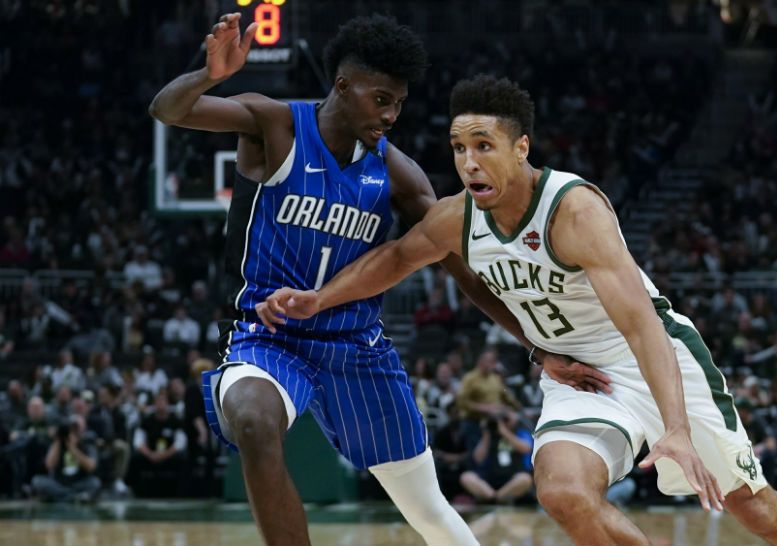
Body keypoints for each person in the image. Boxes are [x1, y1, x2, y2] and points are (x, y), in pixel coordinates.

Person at [259, 75, 777, 546]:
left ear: (521, 148)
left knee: (753, 508)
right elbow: (397, 258)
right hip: (578, 374)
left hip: (654, 360)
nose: (469, 162)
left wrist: (674, 427)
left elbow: (642, 325)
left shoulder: (574, 211)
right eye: (459, 148)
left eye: (484, 145)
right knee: (562, 493)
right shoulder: (457, 217)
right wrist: (320, 298)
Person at [150, 14, 607, 546]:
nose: (391, 114)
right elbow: (168, 109)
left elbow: (462, 272)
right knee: (254, 421)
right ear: (343, 86)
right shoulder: (273, 124)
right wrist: (210, 74)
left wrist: (535, 347)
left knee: (426, 504)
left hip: (354, 344)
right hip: (267, 335)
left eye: (399, 103)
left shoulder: (398, 174)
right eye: (381, 99)